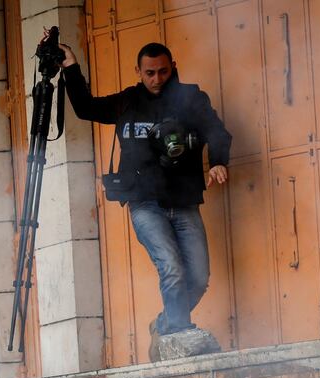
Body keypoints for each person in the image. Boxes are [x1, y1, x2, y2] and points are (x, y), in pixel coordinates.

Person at [60, 42, 232, 359]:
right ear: (138, 71)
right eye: (150, 73)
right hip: (144, 203)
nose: (157, 79)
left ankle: (163, 324)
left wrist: (218, 161)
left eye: (163, 71)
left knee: (198, 278)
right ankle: (179, 336)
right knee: (171, 267)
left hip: (184, 201)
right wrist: (70, 66)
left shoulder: (191, 98)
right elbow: (85, 108)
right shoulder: (128, 101)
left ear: (173, 66)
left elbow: (217, 131)